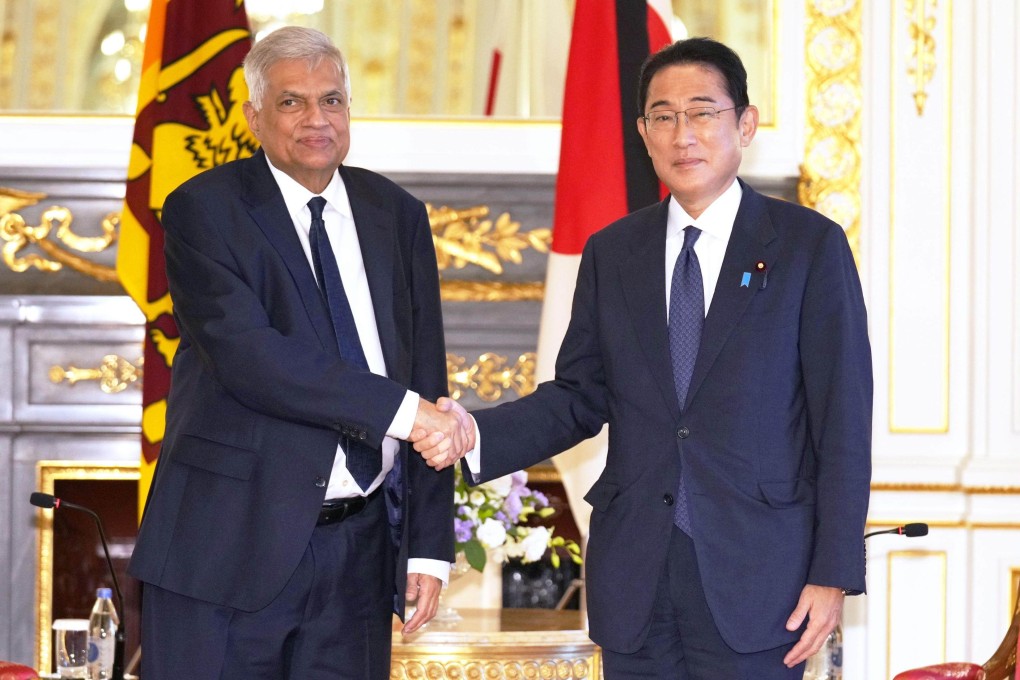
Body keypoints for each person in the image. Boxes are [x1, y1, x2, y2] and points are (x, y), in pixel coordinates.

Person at [413, 37, 873, 680]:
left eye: (703, 111)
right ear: (643, 133)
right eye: (663, 115)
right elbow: (579, 395)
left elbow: (842, 421)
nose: (683, 133)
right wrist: (472, 431)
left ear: (745, 123)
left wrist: (833, 574)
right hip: (637, 579)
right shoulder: (614, 252)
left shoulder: (806, 247)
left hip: (760, 581)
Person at [128, 26, 465, 680]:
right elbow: (256, 361)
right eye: (292, 103)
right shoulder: (204, 209)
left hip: (361, 561)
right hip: (228, 551)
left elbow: (428, 373)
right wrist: (407, 413)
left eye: (332, 100)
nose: (317, 118)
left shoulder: (396, 214)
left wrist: (427, 546)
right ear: (254, 117)